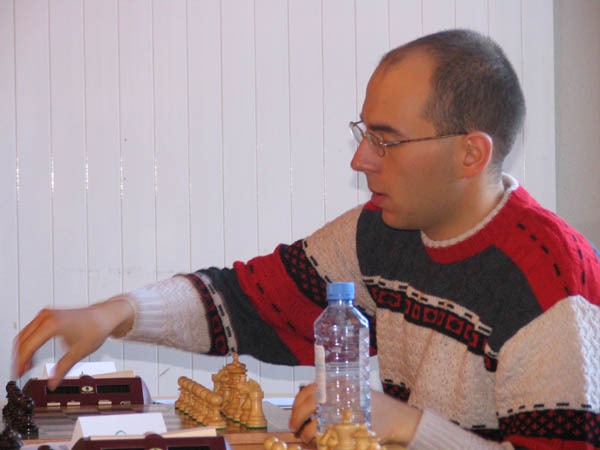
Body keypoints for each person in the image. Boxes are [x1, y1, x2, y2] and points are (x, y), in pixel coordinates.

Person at [13, 29, 600, 450]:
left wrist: (407, 426)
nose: (360, 159)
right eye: (363, 132)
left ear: (471, 153)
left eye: (386, 140)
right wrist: (118, 312)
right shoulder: (380, 232)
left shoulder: (550, 280)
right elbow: (250, 301)